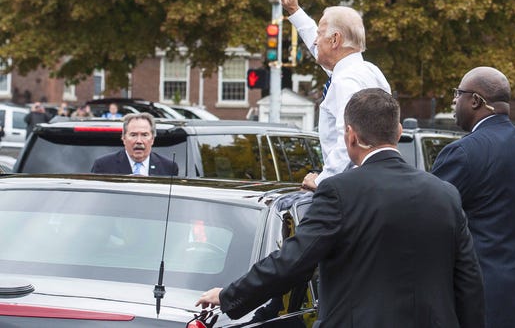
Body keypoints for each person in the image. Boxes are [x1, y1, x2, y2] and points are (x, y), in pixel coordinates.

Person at [195, 88, 485, 328]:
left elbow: (293, 260)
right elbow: (469, 281)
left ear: (351, 136)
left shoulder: (338, 192)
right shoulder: (445, 194)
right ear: (398, 131)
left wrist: (230, 295)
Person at [430, 66, 515, 328]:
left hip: (473, 311)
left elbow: (431, 228)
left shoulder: (461, 154)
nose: (454, 102)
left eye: (458, 94)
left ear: (476, 100)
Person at [279, 0, 391, 191]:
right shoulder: (367, 71)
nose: (315, 42)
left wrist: (322, 181)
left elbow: (348, 139)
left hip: (349, 189)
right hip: (370, 182)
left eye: (320, 35)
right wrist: (295, 11)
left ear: (335, 40)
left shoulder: (345, 81)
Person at [91, 113, 178, 176]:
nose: (139, 141)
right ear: (123, 138)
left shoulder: (168, 167)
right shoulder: (103, 166)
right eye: (133, 135)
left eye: (144, 135)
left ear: (152, 139)